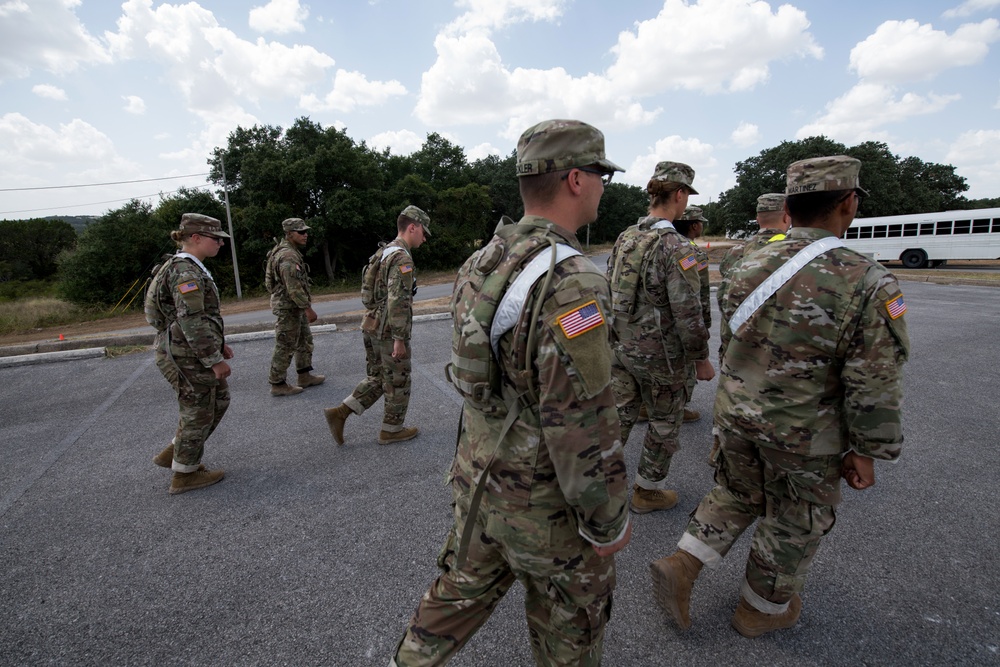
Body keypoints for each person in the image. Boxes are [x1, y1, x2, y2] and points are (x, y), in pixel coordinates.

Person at [390, 119, 632, 666]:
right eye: (601, 176)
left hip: (480, 483)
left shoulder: (483, 260)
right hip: (546, 511)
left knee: (452, 601)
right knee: (569, 636)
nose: (602, 186)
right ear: (575, 179)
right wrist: (606, 519)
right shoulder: (572, 281)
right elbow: (581, 423)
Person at [649, 156, 910, 638]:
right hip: (804, 433)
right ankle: (760, 609)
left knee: (735, 492)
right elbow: (873, 379)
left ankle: (682, 564)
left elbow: (730, 340)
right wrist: (869, 451)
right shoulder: (867, 278)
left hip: (737, 415)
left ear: (788, 207)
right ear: (848, 205)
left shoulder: (747, 262)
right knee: (795, 517)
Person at [606, 162, 715, 514]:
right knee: (665, 422)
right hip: (661, 357)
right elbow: (687, 311)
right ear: (680, 195)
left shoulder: (626, 236)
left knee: (618, 415)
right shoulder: (675, 246)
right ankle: (647, 490)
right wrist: (700, 357)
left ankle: (597, 484)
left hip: (621, 347)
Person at [324, 206, 429, 445]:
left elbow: (370, 295)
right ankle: (392, 430)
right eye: (423, 231)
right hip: (388, 329)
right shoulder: (401, 257)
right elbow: (398, 299)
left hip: (372, 323)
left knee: (379, 378)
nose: (424, 238)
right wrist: (399, 339)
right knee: (398, 379)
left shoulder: (385, 251)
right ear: (412, 227)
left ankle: (340, 413)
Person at [145, 213, 233, 495]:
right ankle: (184, 474)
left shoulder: (189, 267)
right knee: (198, 409)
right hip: (184, 352)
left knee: (218, 399)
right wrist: (213, 359)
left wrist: (218, 345)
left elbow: (201, 318)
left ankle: (178, 452)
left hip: (188, 348)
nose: (220, 243)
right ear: (195, 238)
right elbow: (191, 320)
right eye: (216, 238)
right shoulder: (186, 272)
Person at [265, 217, 325, 396]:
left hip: (294, 306)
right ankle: (277, 383)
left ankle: (304, 375)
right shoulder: (287, 255)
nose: (305, 235)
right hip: (289, 307)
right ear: (290, 234)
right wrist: (308, 308)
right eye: (301, 232)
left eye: (306, 231)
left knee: (304, 341)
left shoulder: (288, 251)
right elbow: (293, 286)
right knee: (285, 344)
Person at [673, 205, 712, 423]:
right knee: (685, 366)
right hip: (685, 319)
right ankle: (680, 407)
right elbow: (702, 294)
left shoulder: (662, 245)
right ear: (695, 225)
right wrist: (704, 326)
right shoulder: (695, 253)